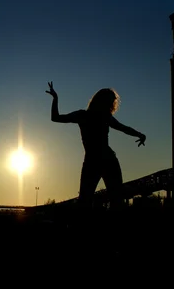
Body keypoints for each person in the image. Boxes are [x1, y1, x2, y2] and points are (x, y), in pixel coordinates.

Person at [45, 81, 146, 216]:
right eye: (110, 101)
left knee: (107, 199)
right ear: (103, 101)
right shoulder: (90, 115)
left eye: (113, 101)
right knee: (92, 200)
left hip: (101, 161)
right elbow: (56, 118)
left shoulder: (95, 116)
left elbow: (123, 128)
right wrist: (55, 99)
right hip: (99, 161)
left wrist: (139, 134)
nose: (112, 104)